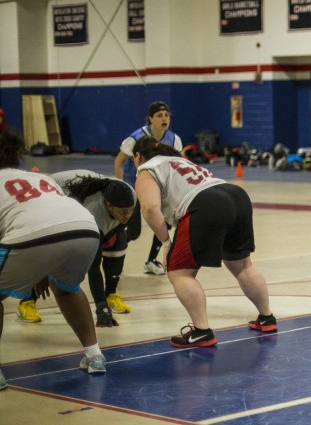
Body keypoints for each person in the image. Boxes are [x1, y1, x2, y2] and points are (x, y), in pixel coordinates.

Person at [132, 136, 276, 347]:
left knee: (179, 271)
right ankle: (267, 318)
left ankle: (202, 331)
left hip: (206, 204)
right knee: (243, 264)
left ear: (138, 156)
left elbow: (150, 208)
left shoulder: (147, 169)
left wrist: (166, 242)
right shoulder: (179, 160)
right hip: (236, 195)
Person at [0, 129, 108, 390]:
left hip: (34, 236)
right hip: (86, 230)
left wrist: (34, 264)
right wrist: (40, 268)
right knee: (68, 290)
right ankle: (95, 356)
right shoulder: (39, 177)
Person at [50, 170, 137, 327]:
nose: (128, 215)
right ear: (108, 206)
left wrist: (113, 232)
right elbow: (94, 266)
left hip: (88, 195)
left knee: (118, 245)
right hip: (53, 192)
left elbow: (131, 226)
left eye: (131, 210)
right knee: (52, 254)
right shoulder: (94, 213)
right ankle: (27, 301)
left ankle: (110, 294)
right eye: (123, 212)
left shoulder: (129, 194)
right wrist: (100, 308)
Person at [114, 101, 183, 275]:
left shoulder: (174, 139)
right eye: (159, 115)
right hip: (134, 186)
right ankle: (113, 253)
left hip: (159, 188)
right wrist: (121, 187)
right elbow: (119, 162)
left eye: (166, 115)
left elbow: (177, 166)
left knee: (164, 223)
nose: (164, 118)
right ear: (150, 119)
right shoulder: (136, 137)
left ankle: (151, 261)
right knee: (134, 231)